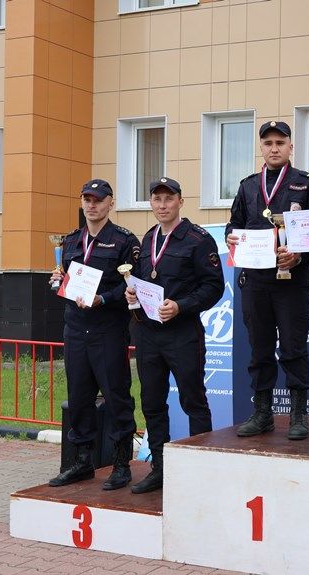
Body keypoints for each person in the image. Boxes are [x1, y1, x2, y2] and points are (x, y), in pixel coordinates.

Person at [125, 177, 225, 494]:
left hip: (183, 333)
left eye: (169, 199)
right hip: (148, 334)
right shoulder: (148, 238)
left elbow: (213, 287)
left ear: (180, 201)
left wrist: (181, 306)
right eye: (157, 199)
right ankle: (160, 468)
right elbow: (143, 280)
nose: (163, 205)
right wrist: (132, 294)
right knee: (152, 402)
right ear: (151, 203)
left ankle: (201, 471)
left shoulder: (198, 239)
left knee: (193, 401)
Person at [48, 179, 139, 491]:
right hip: (75, 329)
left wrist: (103, 299)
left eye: (98, 200)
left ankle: (122, 464)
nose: (92, 205)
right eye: (87, 199)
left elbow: (132, 286)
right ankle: (82, 461)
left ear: (110, 203)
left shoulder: (124, 241)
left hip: (107, 330)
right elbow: (65, 282)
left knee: (116, 396)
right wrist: (57, 281)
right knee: (79, 397)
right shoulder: (71, 240)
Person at [226, 121, 309, 440]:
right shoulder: (248, 186)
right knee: (259, 348)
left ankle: (298, 414)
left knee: (294, 347)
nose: (274, 148)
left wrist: (299, 255)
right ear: (261, 148)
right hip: (256, 280)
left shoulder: (305, 184)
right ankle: (262, 412)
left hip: (292, 280)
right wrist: (231, 239)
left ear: (291, 146)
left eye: (280, 142)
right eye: (268, 143)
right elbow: (233, 225)